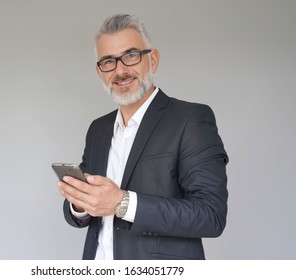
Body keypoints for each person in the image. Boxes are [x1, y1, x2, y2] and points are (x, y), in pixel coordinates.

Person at [57, 14, 228, 260]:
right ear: (100, 72)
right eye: (108, 61)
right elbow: (79, 216)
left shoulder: (191, 119)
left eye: (130, 55)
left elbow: (210, 215)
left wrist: (121, 203)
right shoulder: (98, 129)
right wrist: (81, 203)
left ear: (153, 60)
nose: (120, 70)